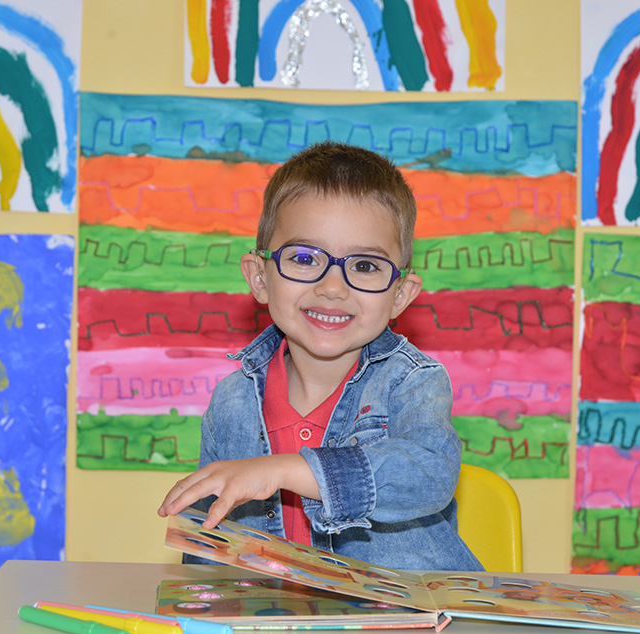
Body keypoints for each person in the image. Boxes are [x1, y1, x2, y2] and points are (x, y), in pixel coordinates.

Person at [158, 141, 483, 571]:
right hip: (278, 622)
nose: (333, 287)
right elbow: (212, 538)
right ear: (259, 277)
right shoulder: (232, 402)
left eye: (365, 266)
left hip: (408, 621)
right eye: (306, 258)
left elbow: (430, 474)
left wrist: (285, 470)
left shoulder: (412, 381)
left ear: (400, 296)